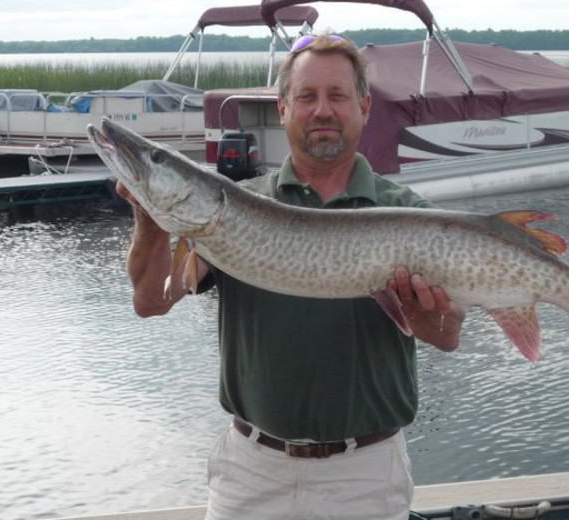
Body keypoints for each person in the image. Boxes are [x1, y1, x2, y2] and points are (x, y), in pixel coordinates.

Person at [116, 33, 464, 520]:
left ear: (364, 107)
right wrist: (150, 216)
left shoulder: (407, 214)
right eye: (306, 96)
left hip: (364, 475)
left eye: (337, 96)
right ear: (283, 108)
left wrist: (419, 308)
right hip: (252, 472)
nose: (322, 110)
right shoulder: (228, 209)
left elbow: (447, 337)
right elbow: (152, 301)